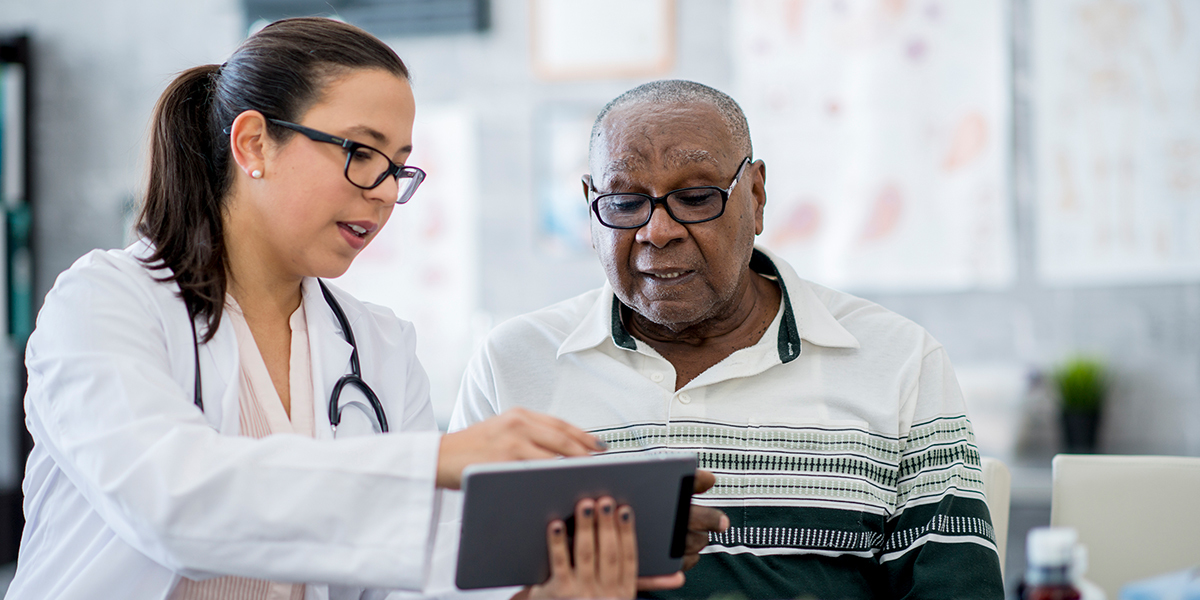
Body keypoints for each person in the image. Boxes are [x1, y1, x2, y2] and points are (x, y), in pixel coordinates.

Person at [7, 18, 678, 600]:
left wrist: (552, 578)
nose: (384, 193)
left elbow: (401, 580)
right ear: (253, 145)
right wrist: (434, 461)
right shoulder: (104, 303)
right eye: (361, 152)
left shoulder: (378, 345)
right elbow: (171, 503)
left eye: (398, 167)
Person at [452, 80, 1006, 600]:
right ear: (590, 205)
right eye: (624, 203)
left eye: (695, 197)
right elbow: (444, 582)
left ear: (757, 195)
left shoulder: (898, 361)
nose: (657, 231)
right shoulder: (513, 365)